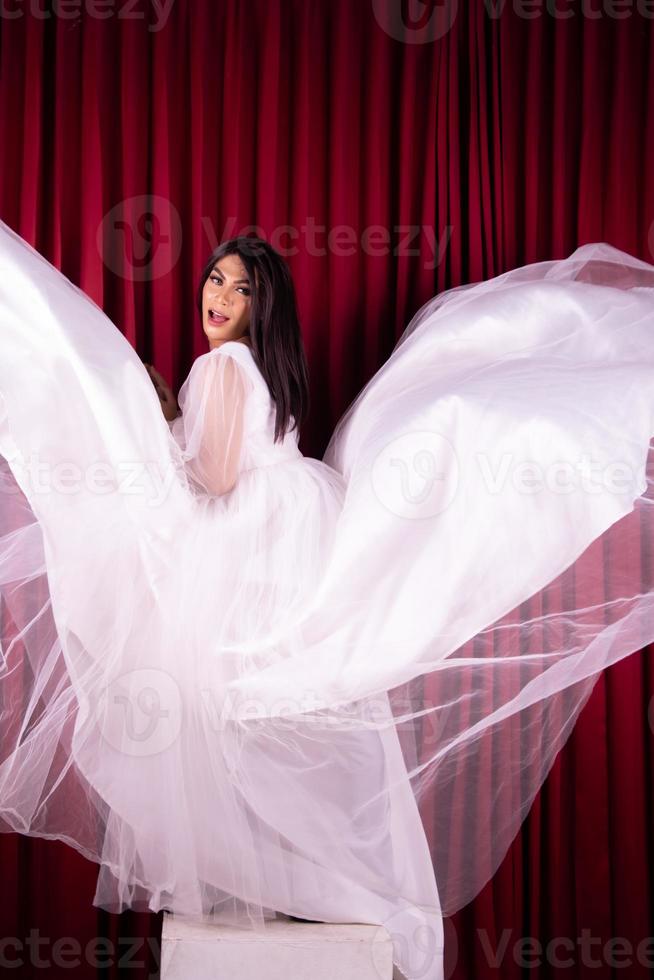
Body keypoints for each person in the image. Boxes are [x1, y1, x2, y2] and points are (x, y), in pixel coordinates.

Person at [1, 221, 654, 980]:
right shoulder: (269, 370)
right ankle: (325, 876)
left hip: (245, 541)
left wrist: (154, 433)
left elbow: (212, 480)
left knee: (220, 701)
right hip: (291, 526)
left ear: (259, 304)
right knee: (279, 709)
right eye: (216, 280)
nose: (220, 297)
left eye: (239, 288)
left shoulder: (221, 370)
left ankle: (288, 873)